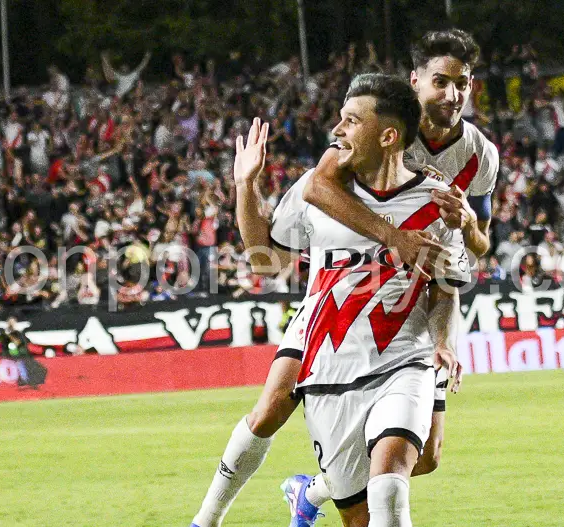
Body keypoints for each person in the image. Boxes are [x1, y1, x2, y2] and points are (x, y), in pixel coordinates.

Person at [191, 74, 465, 527]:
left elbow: (444, 284)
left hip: (403, 355)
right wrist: (246, 186)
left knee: (400, 477)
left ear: (388, 135)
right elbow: (265, 261)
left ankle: (290, 496)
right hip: (329, 344)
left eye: (350, 121)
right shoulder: (317, 188)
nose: (336, 130)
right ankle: (218, 516)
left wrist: (443, 340)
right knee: (275, 414)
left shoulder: (438, 201)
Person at [283, 29, 498, 525]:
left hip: (426, 308)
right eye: (441, 81)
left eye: (462, 83)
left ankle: (311, 493)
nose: (452, 94)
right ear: (415, 80)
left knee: (426, 456)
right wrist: (388, 235)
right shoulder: (375, 127)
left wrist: (466, 221)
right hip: (349, 305)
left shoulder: (480, 155)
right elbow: (318, 187)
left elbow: (481, 244)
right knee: (371, 458)